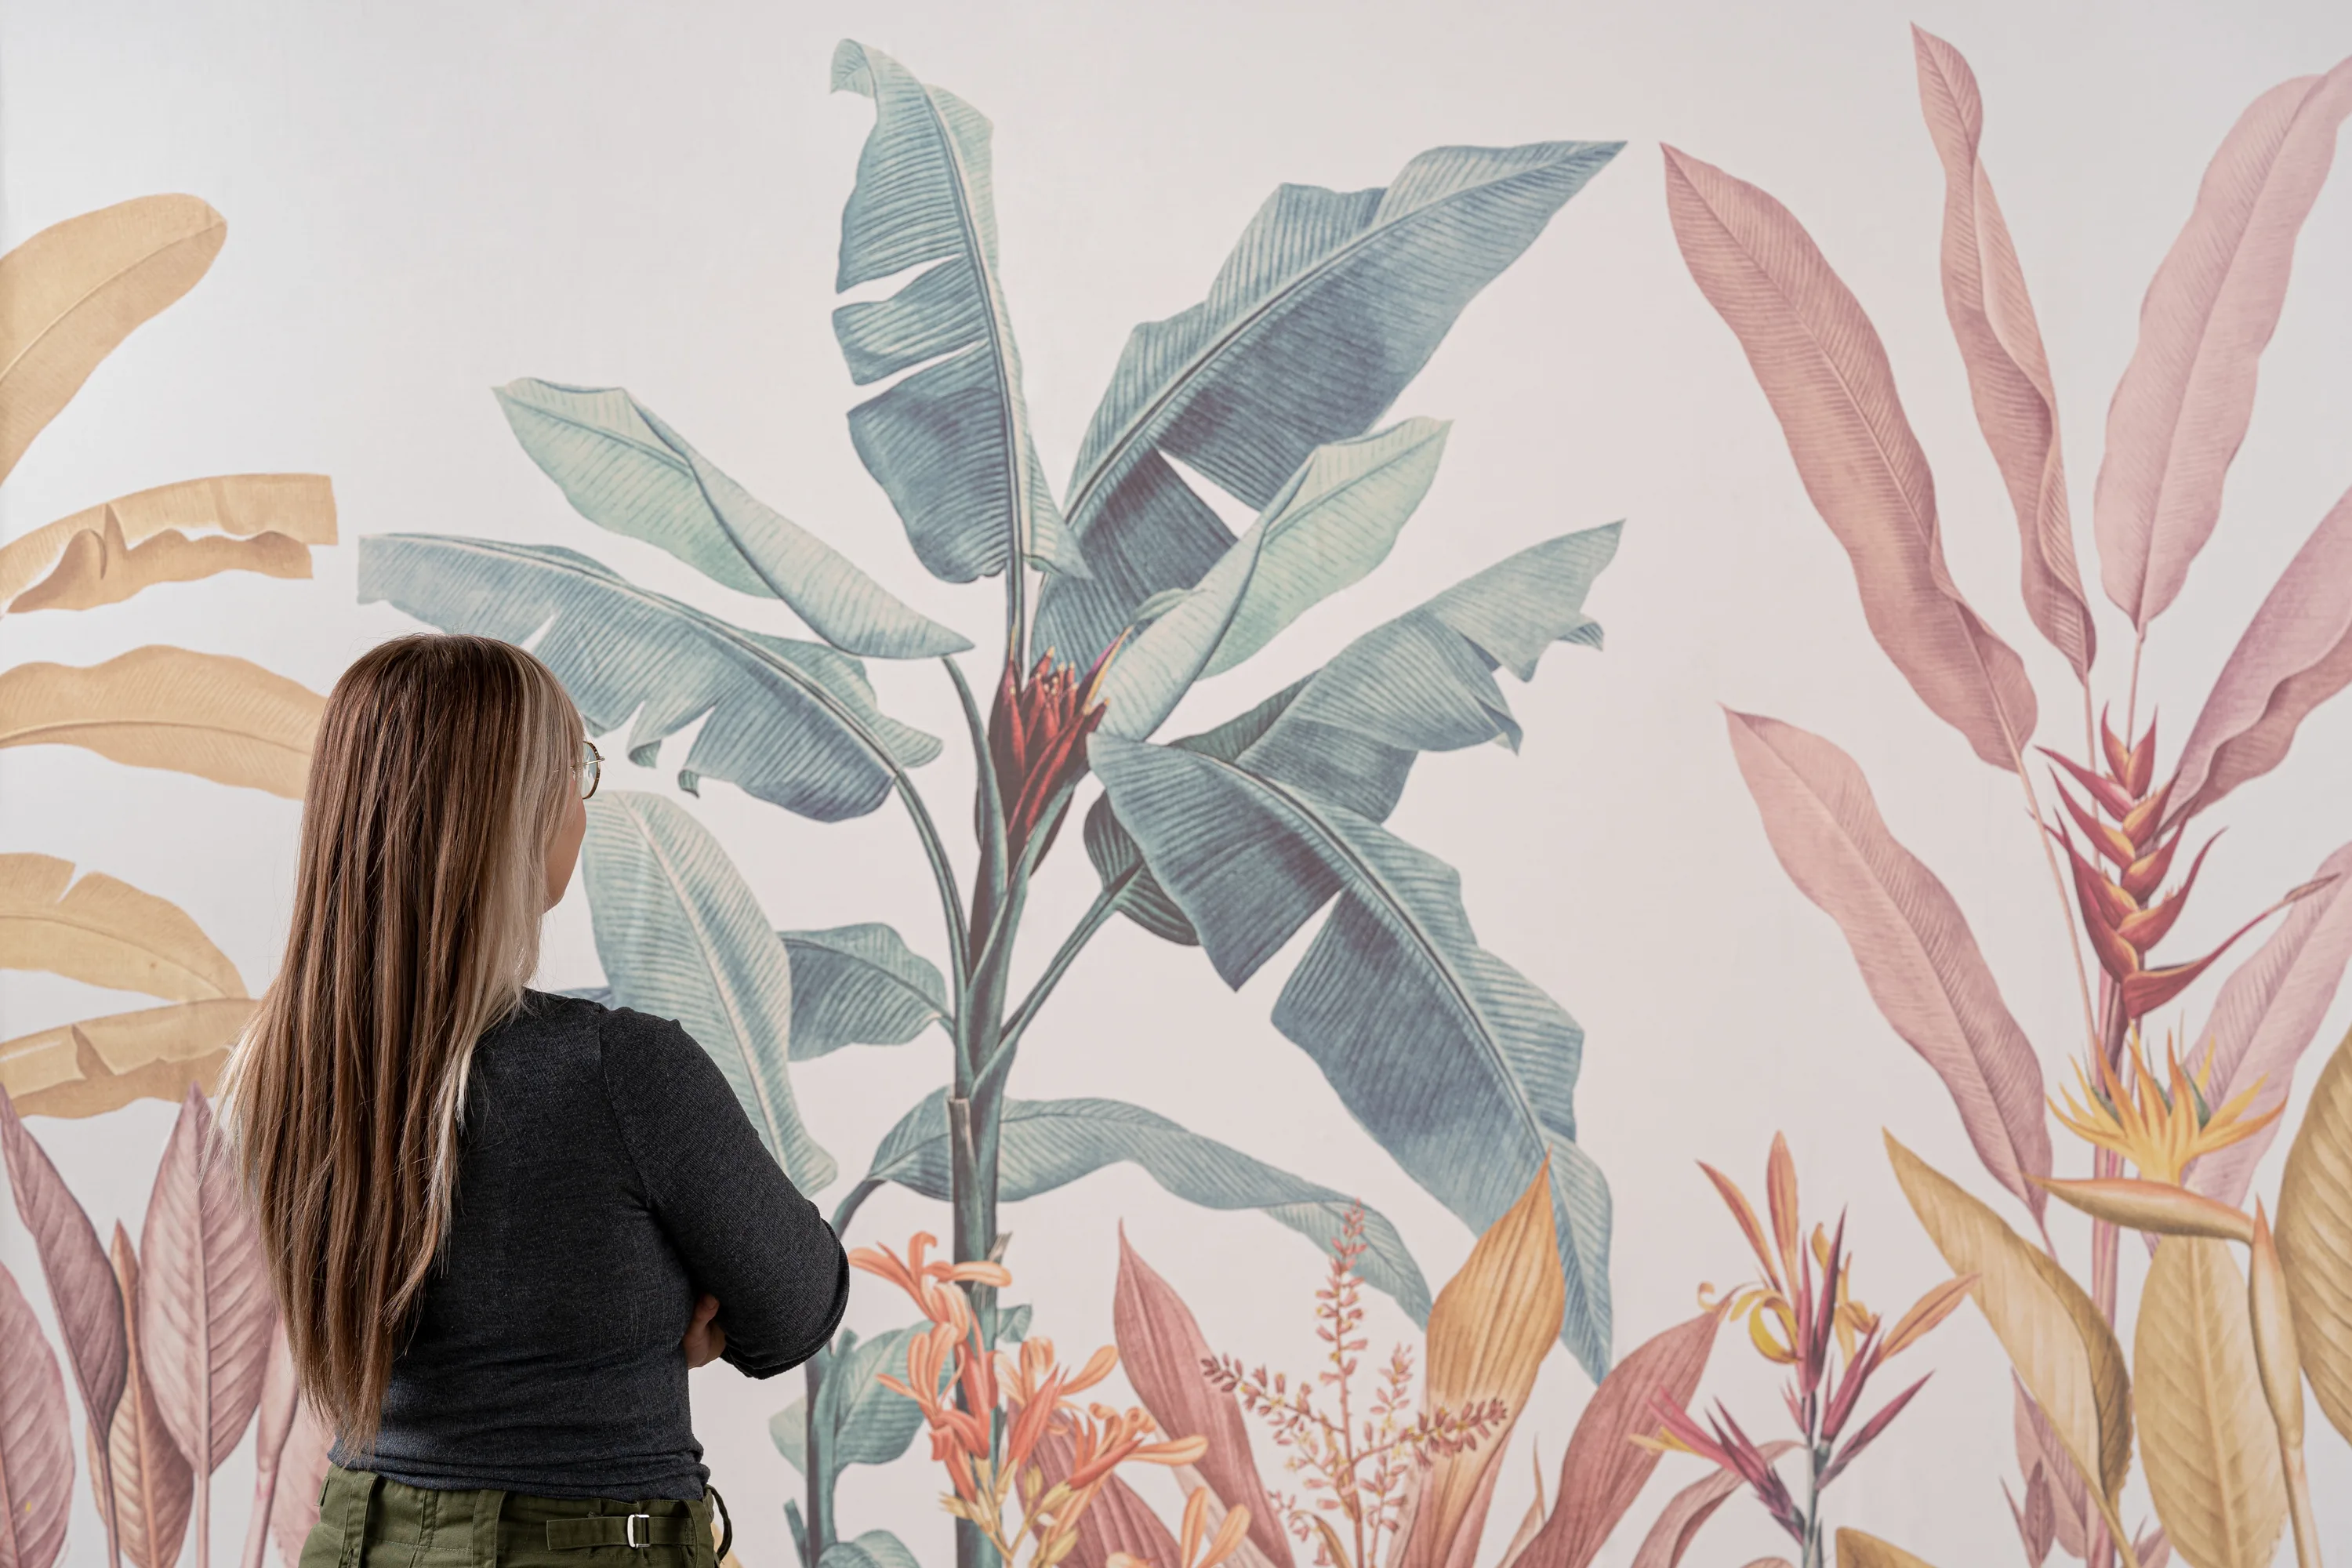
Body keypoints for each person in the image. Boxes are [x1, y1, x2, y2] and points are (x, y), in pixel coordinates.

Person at [219, 633, 848, 1568]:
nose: (581, 804)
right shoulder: (620, 1071)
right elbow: (799, 1302)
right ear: (510, 813)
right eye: (574, 769)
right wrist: (679, 1296)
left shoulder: (276, 1073)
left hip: (356, 1539)